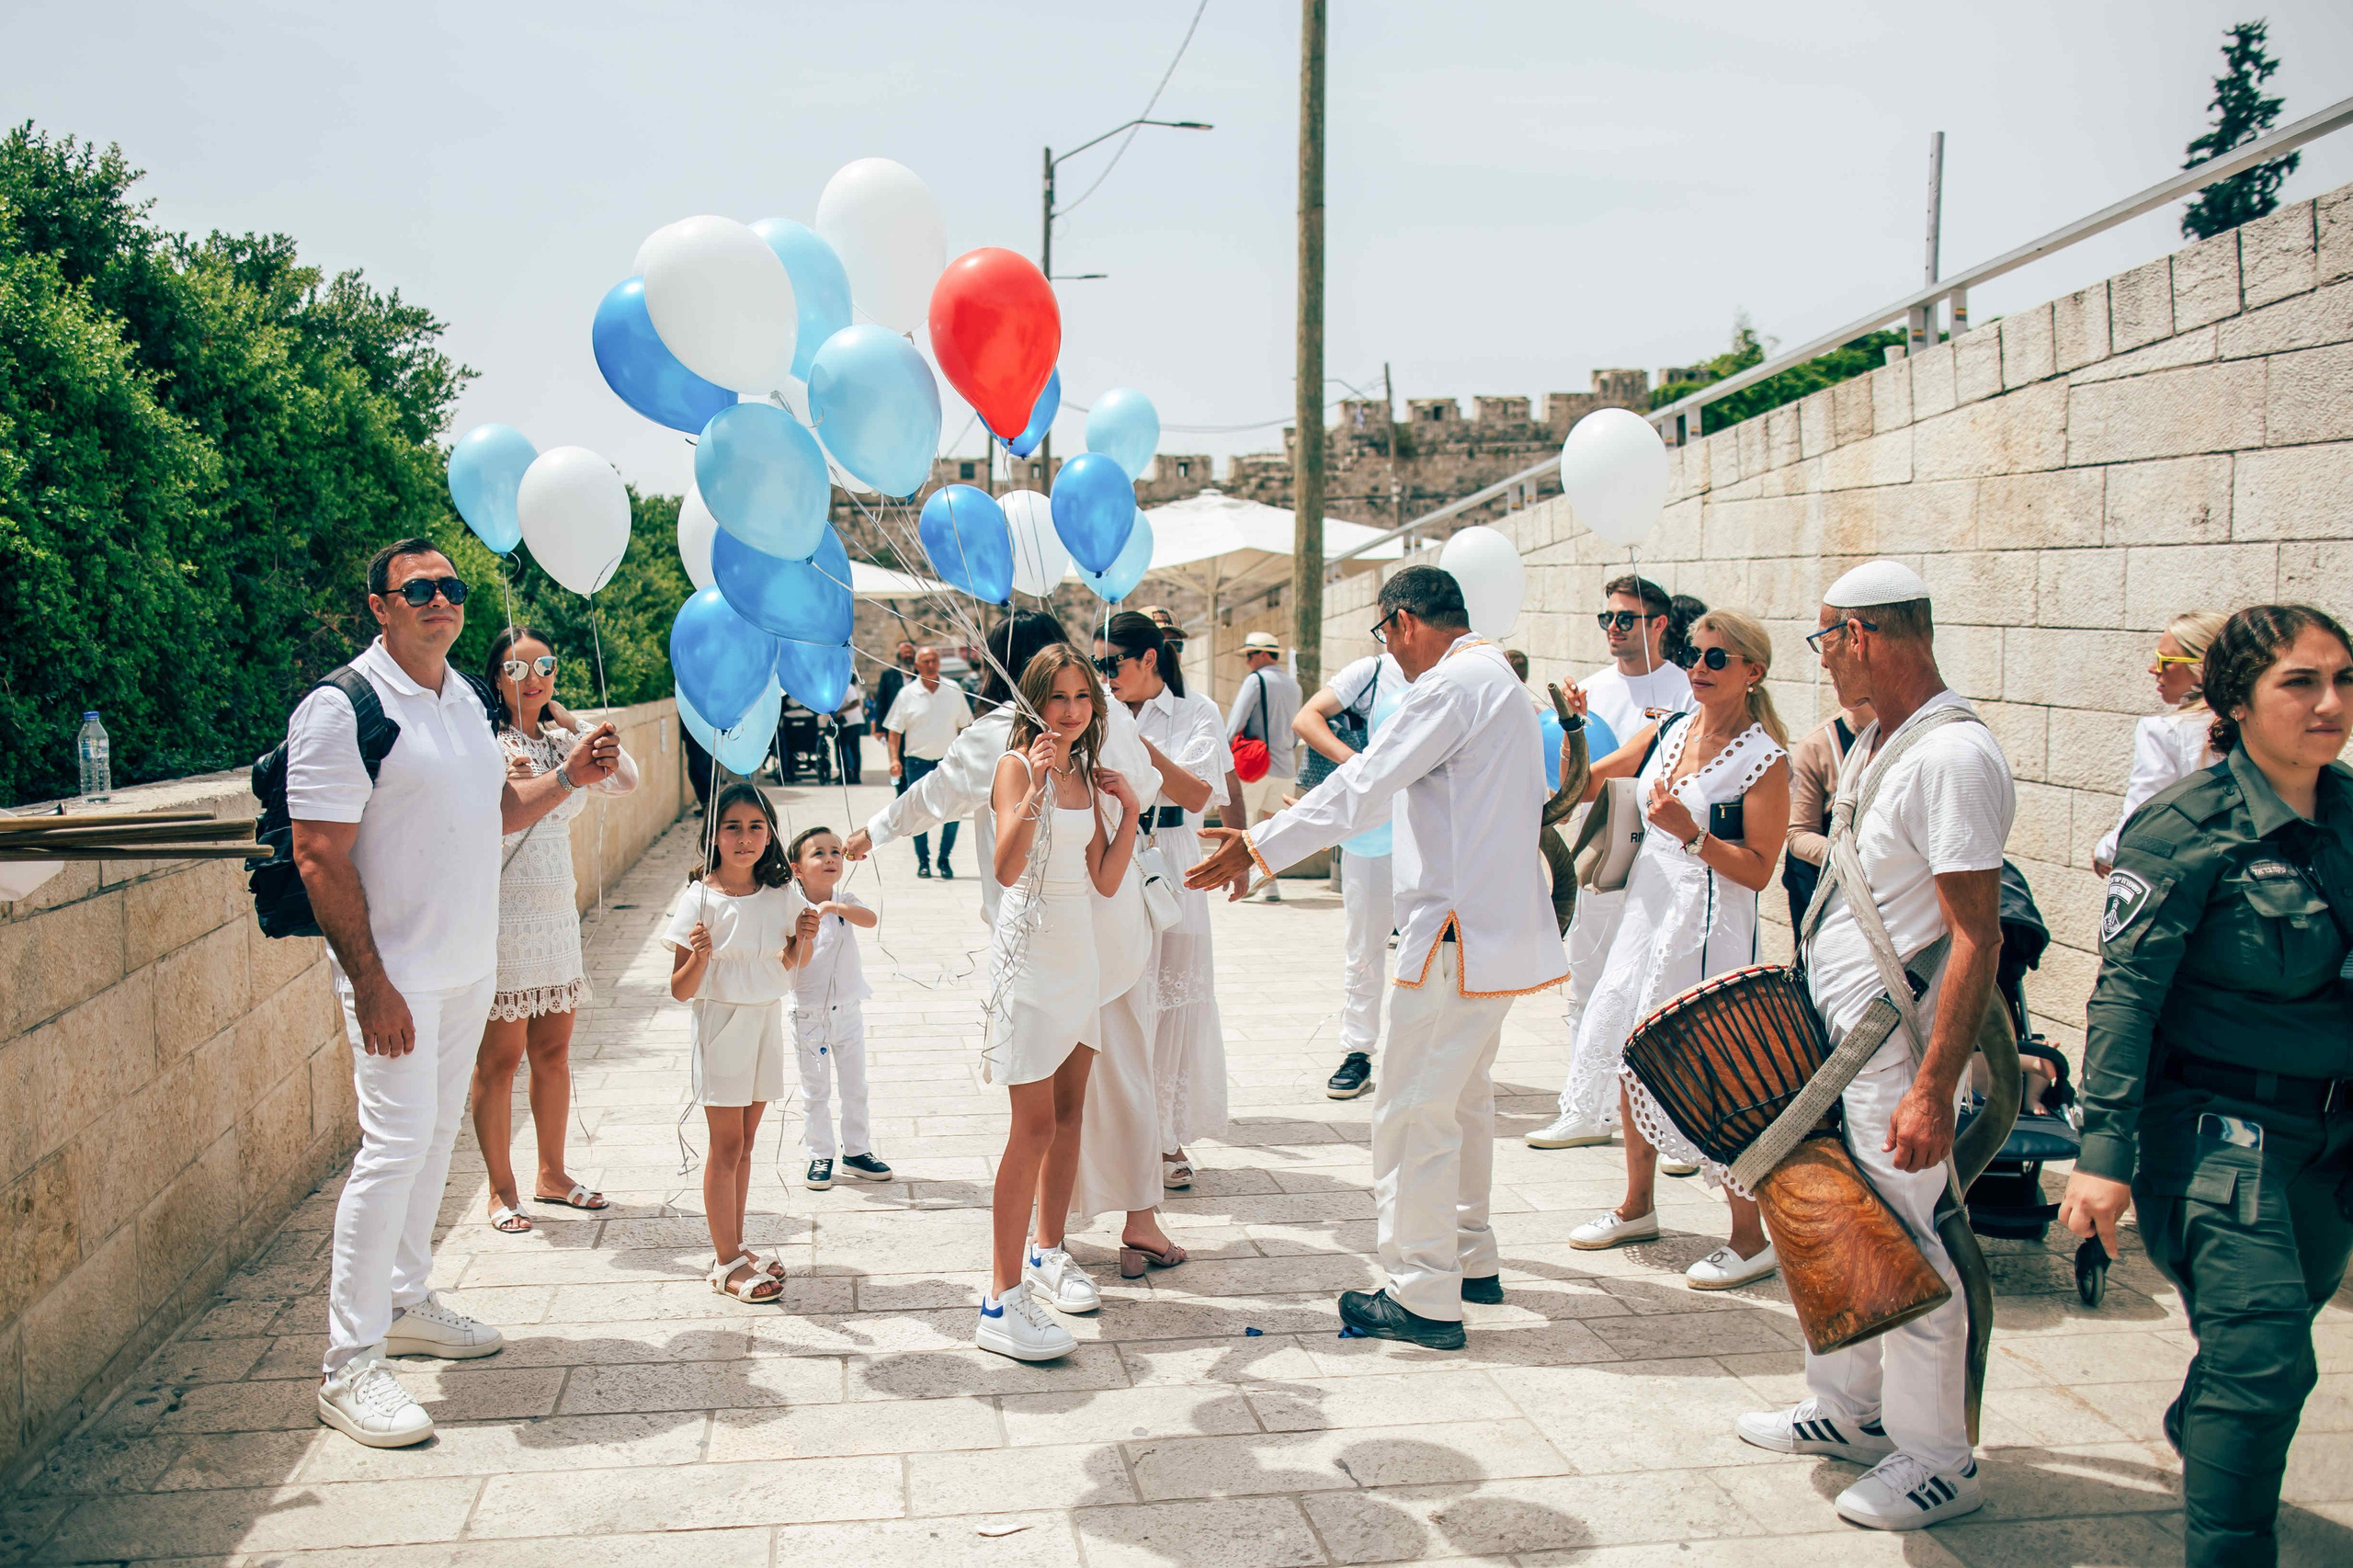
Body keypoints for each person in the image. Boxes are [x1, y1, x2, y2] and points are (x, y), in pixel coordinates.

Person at [287, 539, 621, 1449]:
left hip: (469, 968)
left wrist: (568, 777)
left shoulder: (466, 700)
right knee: (392, 1149)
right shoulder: (343, 707)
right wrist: (371, 984)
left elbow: (496, 812)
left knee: (435, 1140)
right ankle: (349, 1365)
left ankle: (404, 1302)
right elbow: (317, 852)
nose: (440, 599)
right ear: (380, 606)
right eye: (419, 588)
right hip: (395, 978)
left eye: (452, 586)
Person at [1188, 565, 1564, 1349]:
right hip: (1488, 932)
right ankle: (1468, 1254)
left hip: (1454, 934)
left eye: (1385, 636)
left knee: (1412, 1113)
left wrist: (1259, 844)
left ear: (1402, 622)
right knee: (1462, 1101)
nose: (1390, 653)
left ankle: (1423, 1292)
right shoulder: (1499, 679)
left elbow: (1363, 784)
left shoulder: (1449, 686)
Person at [2061, 604, 2353, 1568]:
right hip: (2218, 1129)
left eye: (2343, 680)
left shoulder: (2350, 815)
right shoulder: (2185, 826)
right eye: (2299, 682)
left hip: (2328, 1141)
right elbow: (2125, 996)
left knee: (2270, 1343)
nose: (2329, 702)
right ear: (2236, 700)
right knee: (2266, 1358)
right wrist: (2103, 1155)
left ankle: (2209, 1416)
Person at [1733, 560, 2014, 1533]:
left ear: (1858, 634)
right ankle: (1846, 1408)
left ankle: (1939, 1459)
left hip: (1894, 1052)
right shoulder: (1879, 740)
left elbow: (1976, 935)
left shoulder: (1953, 754)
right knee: (1835, 1224)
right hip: (1843, 1043)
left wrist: (1932, 1087)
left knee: (1907, 1242)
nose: (1820, 660)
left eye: (1824, 640)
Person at [1558, 611, 1791, 1290]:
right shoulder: (1669, 728)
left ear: (1752, 672)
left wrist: (1692, 834)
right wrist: (1573, 727)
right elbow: (1585, 783)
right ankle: (1637, 1206)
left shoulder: (1764, 758)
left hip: (1710, 926)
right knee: (1632, 1051)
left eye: (1718, 658)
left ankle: (1749, 1238)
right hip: (1647, 911)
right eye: (1695, 654)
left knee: (1716, 1071)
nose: (1699, 667)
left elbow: (1759, 870)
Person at [978, 646, 1142, 1360]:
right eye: (1058, 697)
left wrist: (1130, 810)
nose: (1072, 710)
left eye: (1082, 696)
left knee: (1071, 1112)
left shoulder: (1085, 770)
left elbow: (1104, 878)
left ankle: (1049, 1249)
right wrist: (1037, 788)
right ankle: (999, 1298)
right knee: (1033, 1124)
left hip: (1079, 954)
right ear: (1034, 700)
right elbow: (1005, 867)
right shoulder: (1019, 766)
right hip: (1030, 955)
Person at [470, 625, 641, 1235]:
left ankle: (553, 1174)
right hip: (504, 916)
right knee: (500, 1059)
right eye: (517, 669)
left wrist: (569, 720)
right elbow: (494, 814)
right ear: (497, 678)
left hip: (554, 915)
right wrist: (515, 771)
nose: (533, 679)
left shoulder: (562, 741)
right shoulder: (486, 741)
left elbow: (627, 778)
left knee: (554, 1053)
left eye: (544, 667)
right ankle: (501, 1189)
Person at [1527, 575, 1698, 1150]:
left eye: (1627, 618)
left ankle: (1671, 1125)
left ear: (1659, 624)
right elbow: (1570, 773)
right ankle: (1586, 1108)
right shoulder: (1593, 689)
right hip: (1599, 848)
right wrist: (1572, 730)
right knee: (1588, 979)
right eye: (1607, 618)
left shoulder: (1687, 687)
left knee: (1662, 988)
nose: (1614, 628)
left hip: (1665, 852)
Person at [663, 783, 817, 1304]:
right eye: (732, 827)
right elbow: (680, 989)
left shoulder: (782, 893)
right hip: (721, 1025)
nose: (745, 838)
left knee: (747, 1142)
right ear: (714, 834)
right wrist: (700, 957)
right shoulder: (699, 898)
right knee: (725, 1144)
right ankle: (724, 1261)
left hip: (765, 1020)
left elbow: (793, 962)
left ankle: (735, 1243)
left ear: (770, 834)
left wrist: (806, 936)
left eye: (756, 827)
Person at [1099, 612, 1232, 1199]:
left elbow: (1198, 793)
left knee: (1176, 998)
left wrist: (1132, 740)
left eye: (1112, 663)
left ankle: (1167, 1138)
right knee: (1122, 995)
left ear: (1148, 658)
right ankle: (1121, 1136)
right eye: (1098, 664)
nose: (1105, 674)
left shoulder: (1196, 711)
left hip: (1173, 853)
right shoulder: (1094, 711)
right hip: (1114, 850)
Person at [1296, 639, 1407, 1100]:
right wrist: (1358, 765)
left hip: (1438, 830)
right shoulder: (1373, 671)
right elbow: (1307, 718)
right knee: (1364, 944)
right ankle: (1357, 1051)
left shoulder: (1458, 670)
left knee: (1431, 948)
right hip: (1372, 831)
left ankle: (1417, 1054)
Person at [782, 826, 887, 1190]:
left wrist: (831, 906)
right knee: (816, 1090)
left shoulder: (845, 901)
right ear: (797, 869)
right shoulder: (791, 908)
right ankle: (820, 1153)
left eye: (835, 852)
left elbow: (869, 918)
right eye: (818, 853)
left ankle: (857, 1150)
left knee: (855, 1085)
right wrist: (805, 927)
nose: (830, 859)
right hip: (809, 1015)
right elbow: (789, 956)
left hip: (848, 1012)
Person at [2093, 610, 2229, 877]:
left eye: (2164, 661)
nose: (2153, 669)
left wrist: (2105, 852)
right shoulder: (2254, 722)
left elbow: (2141, 817)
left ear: (2202, 667)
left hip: (2194, 878)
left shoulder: (2165, 732)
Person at [1784, 699, 1873, 933]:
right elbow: (1798, 834)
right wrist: (1861, 861)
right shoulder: (1820, 745)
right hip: (1827, 898)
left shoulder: (1910, 735)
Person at [1225, 630, 1302, 900]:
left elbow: (1235, 723)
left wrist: (1224, 751)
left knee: (1245, 824)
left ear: (1263, 655)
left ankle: (1244, 880)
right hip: (1286, 766)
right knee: (1273, 826)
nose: (1247, 661)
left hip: (1255, 765)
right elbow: (1296, 730)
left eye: (1249, 655)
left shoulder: (1256, 681)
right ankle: (1270, 885)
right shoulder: (1294, 685)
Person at [884, 644, 973, 879]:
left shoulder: (953, 690)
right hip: (917, 763)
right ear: (917, 665)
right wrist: (894, 760)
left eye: (934, 660)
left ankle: (944, 859)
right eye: (926, 661)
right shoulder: (906, 694)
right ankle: (923, 861)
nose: (931, 665)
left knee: (953, 812)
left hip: (948, 763)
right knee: (917, 814)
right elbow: (894, 732)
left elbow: (966, 726)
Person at [872, 640, 915, 734]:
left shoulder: (920, 675)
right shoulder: (888, 676)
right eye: (905, 652)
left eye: (910, 652)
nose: (908, 655)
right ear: (899, 656)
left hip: (916, 725)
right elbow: (881, 703)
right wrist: (879, 729)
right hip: (895, 726)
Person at [834, 674, 867, 785]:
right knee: (854, 749)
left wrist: (841, 712)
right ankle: (854, 775)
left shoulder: (848, 688)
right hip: (852, 722)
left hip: (851, 722)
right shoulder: (844, 688)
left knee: (843, 747)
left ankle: (847, 774)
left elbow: (856, 703)